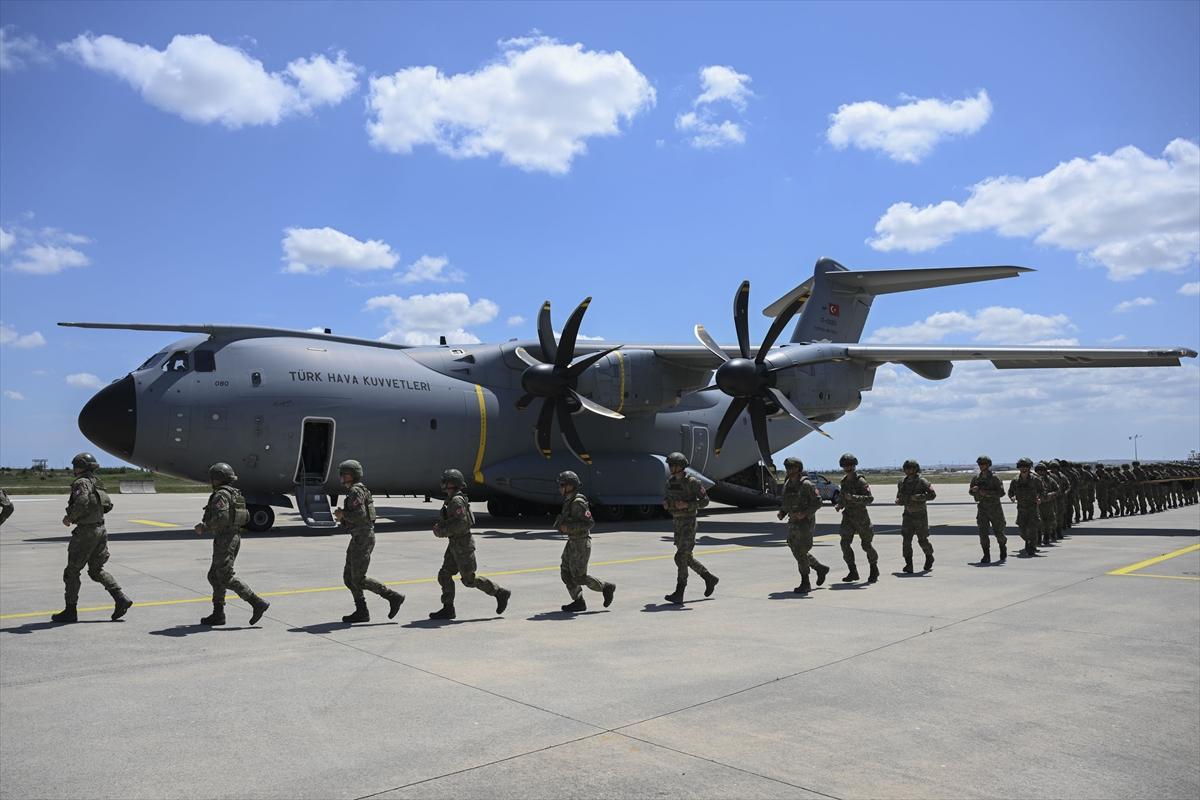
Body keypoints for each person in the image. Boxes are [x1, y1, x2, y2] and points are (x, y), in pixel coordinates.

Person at [51, 453, 132, 623]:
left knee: (72, 572)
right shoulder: (96, 482)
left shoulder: (81, 482)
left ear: (81, 466)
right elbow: (107, 505)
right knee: (96, 570)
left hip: (86, 532)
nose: (74, 468)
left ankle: (70, 611)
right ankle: (120, 598)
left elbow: (82, 501)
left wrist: (70, 517)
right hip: (100, 529)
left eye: (75, 465)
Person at [194, 463, 270, 626]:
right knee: (214, 576)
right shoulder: (234, 493)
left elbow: (222, 518)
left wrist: (204, 527)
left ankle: (257, 602)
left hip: (225, 539)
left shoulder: (221, 495)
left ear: (217, 479)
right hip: (231, 537)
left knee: (225, 577)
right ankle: (218, 613)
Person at [429, 469, 510, 620]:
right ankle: (448, 608)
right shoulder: (452, 499)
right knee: (444, 574)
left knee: (469, 580)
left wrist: (441, 531)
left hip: (462, 545)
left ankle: (499, 593)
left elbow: (461, 524)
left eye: (446, 481)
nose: (443, 483)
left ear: (452, 483)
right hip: (455, 543)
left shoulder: (456, 501)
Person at [334, 460, 405, 623]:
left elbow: (359, 515)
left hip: (363, 538)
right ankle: (362, 611)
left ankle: (392, 596)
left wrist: (343, 514)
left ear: (352, 475)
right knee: (349, 577)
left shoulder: (356, 491)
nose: (341, 477)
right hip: (358, 537)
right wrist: (344, 518)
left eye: (344, 474)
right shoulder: (357, 490)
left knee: (358, 579)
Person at [554, 470, 615, 612]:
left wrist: (568, 527)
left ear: (570, 486)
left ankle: (606, 587)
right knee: (565, 572)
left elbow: (589, 523)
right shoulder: (569, 501)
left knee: (579, 577)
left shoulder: (578, 502)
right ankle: (578, 601)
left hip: (580, 542)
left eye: (562, 484)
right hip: (572, 541)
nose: (560, 488)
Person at [662, 452, 718, 603]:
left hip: (688, 523)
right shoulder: (670, 482)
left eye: (672, 465)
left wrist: (688, 505)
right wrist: (666, 503)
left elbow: (705, 501)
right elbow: (668, 497)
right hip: (677, 523)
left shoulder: (692, 482)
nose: (670, 467)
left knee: (681, 557)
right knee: (684, 557)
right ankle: (708, 577)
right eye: (670, 465)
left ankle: (679, 592)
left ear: (680, 466)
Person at [776, 457, 830, 594]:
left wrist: (805, 513)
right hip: (793, 522)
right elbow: (787, 501)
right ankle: (819, 568)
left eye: (791, 468)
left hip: (805, 522)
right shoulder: (788, 484)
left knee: (800, 551)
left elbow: (818, 502)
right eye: (787, 468)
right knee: (794, 547)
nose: (789, 470)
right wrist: (782, 512)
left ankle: (805, 582)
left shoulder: (806, 484)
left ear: (798, 469)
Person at [835, 453, 878, 584]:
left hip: (861, 517)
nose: (848, 468)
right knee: (844, 544)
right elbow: (843, 497)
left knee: (866, 545)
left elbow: (869, 498)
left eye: (850, 465)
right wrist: (840, 504)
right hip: (848, 517)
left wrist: (853, 498)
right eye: (845, 465)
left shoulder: (860, 481)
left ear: (854, 466)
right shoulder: (844, 482)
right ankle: (853, 571)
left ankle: (874, 569)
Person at [895, 459, 936, 573]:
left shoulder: (922, 481)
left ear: (915, 469)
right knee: (906, 541)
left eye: (911, 468)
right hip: (907, 515)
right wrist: (899, 501)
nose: (908, 470)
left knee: (922, 540)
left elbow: (932, 495)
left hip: (920, 515)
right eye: (907, 468)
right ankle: (909, 564)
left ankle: (929, 556)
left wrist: (918, 497)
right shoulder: (902, 482)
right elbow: (899, 497)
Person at [969, 455, 1007, 563]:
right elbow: (970, 491)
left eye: (983, 464)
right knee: (983, 533)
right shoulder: (976, 478)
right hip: (982, 509)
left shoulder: (995, 478)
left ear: (988, 465)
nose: (981, 466)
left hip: (995, 509)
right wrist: (973, 490)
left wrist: (987, 493)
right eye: (980, 464)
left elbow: (1001, 493)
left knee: (999, 532)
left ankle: (1002, 548)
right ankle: (986, 555)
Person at [1007, 458, 1044, 557]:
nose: (1023, 468)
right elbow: (1010, 492)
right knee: (1022, 530)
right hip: (1021, 508)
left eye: (1025, 466)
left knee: (1032, 528)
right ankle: (1028, 541)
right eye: (1021, 466)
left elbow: (1042, 491)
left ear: (1029, 467)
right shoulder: (1015, 480)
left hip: (1032, 507)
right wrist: (1012, 497)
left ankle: (1031, 546)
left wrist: (1040, 498)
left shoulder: (1035, 479)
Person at [1034, 461, 1060, 548]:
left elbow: (1057, 489)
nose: (1040, 472)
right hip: (1037, 504)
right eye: (1038, 470)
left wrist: (1051, 494)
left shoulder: (1050, 480)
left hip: (1048, 504)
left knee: (1048, 521)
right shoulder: (1033, 480)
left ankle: (1046, 536)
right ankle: (1038, 538)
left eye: (1042, 470)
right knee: (1038, 521)